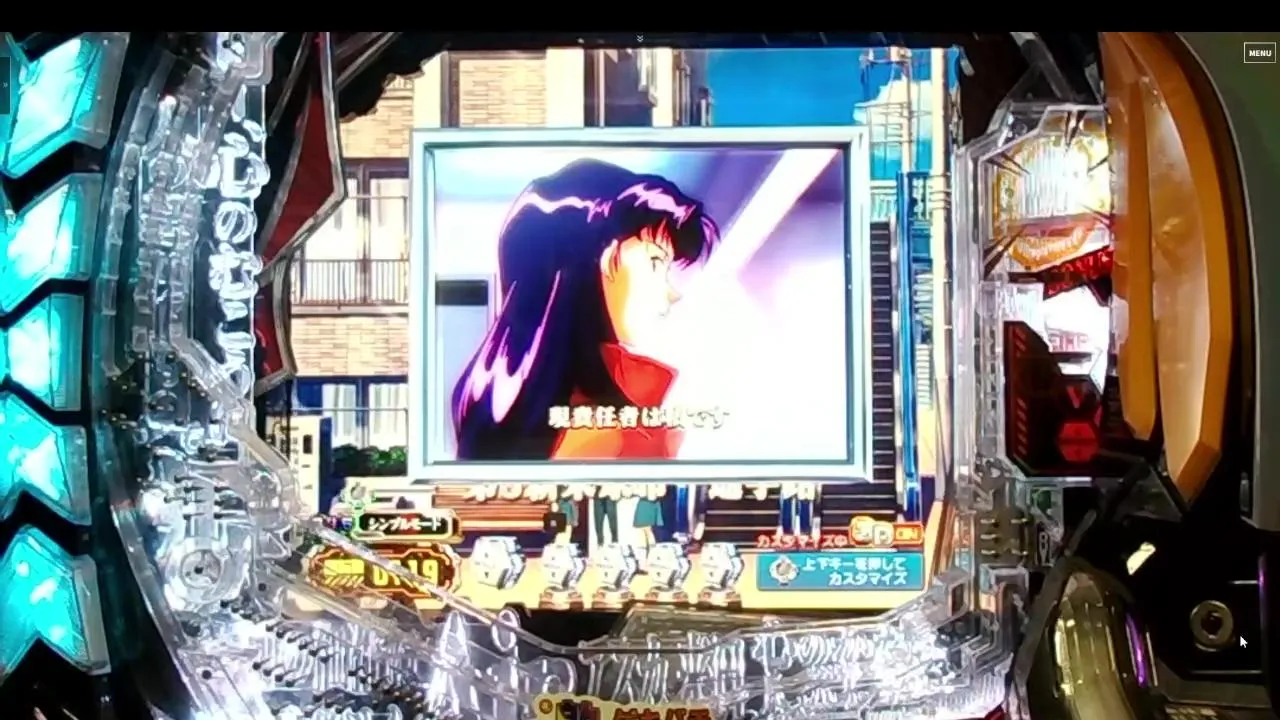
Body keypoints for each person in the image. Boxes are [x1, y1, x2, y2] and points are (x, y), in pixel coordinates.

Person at [451, 159, 721, 462]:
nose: (673, 292)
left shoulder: (489, 399)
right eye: (655, 262)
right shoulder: (608, 437)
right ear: (601, 258)